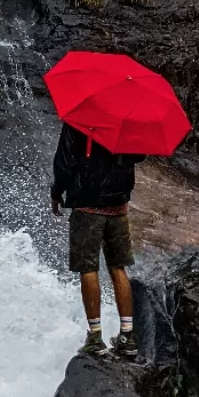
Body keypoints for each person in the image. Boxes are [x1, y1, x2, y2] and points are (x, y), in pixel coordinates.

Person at [51, 122, 141, 360]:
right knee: (118, 266)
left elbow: (64, 161)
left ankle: (95, 337)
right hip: (118, 204)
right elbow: (138, 155)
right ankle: (127, 336)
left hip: (87, 203)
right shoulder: (127, 118)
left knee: (87, 267)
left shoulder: (80, 117)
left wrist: (56, 191)